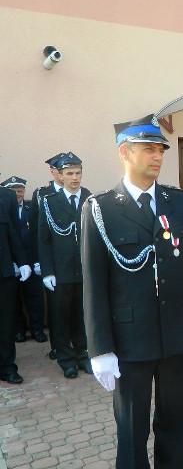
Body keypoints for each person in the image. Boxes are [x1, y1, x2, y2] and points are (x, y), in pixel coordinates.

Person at [82, 114, 183, 469]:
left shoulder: (178, 202)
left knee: (175, 423)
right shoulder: (101, 208)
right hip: (130, 339)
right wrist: (100, 347)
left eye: (160, 150)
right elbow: (94, 284)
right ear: (124, 152)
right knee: (131, 429)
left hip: (176, 334)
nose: (157, 156)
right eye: (148, 149)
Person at [38, 153, 92, 378]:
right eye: (70, 173)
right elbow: (43, 239)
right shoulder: (50, 201)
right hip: (60, 271)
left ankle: (83, 355)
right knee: (60, 318)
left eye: (78, 173)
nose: (75, 178)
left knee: (83, 315)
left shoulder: (89, 198)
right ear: (60, 176)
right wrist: (47, 271)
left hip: (85, 269)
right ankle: (66, 359)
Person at [1, 176, 47, 343]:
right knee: (13, 301)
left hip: (31, 262)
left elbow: (38, 235)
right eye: (14, 191)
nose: (18, 194)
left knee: (35, 299)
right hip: (11, 264)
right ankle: (19, 331)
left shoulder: (31, 208)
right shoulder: (4, 209)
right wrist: (12, 262)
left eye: (20, 190)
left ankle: (37, 330)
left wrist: (38, 260)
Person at [31, 152, 66, 360]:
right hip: (52, 260)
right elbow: (37, 231)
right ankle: (58, 346)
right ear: (53, 172)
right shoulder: (42, 194)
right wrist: (38, 261)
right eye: (58, 170)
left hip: (72, 263)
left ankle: (77, 347)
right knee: (56, 309)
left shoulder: (80, 193)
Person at [0, 181, 31, 384]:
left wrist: (22, 262)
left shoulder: (7, 197)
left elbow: (14, 233)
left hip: (4, 272)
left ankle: (7, 367)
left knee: (5, 323)